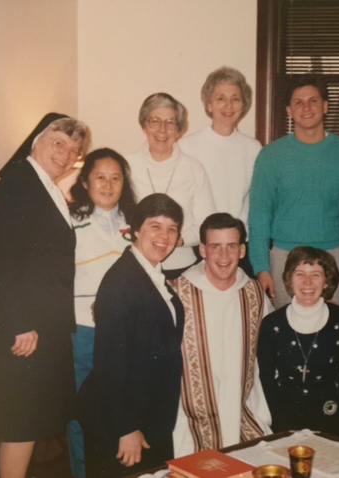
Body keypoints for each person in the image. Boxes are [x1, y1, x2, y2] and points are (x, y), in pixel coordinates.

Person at [0, 116, 89, 478]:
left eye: (74, 151)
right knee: (20, 423)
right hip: (25, 327)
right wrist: (22, 323)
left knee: (27, 420)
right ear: (37, 141)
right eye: (59, 143)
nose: (66, 154)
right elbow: (7, 261)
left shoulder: (42, 184)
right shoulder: (18, 185)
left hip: (39, 324)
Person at [78, 194, 185, 477]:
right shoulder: (122, 283)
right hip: (121, 424)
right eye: (155, 226)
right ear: (136, 230)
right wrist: (126, 429)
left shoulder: (149, 274)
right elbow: (109, 363)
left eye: (172, 229)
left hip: (146, 417)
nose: (164, 236)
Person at [248, 73, 339, 308]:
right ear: (289, 110)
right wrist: (261, 268)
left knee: (332, 333)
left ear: (325, 106)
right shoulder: (271, 156)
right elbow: (259, 215)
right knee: (287, 333)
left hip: (333, 257)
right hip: (284, 259)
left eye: (313, 100)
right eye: (298, 102)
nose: (306, 108)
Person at [172, 213, 272, 457]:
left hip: (243, 410)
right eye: (215, 247)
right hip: (188, 420)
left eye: (231, 246)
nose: (224, 256)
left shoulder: (255, 294)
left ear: (242, 251)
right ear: (203, 250)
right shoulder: (177, 294)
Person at [65, 148, 137, 478]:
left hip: (126, 333)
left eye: (115, 178)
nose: (108, 185)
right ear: (85, 182)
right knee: (82, 413)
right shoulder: (70, 223)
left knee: (124, 409)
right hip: (84, 332)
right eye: (100, 177)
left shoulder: (135, 226)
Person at [257, 247, 339, 440]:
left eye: (316, 274)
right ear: (289, 279)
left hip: (334, 417)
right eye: (300, 274)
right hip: (285, 420)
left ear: (326, 281)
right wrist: (279, 421)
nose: (307, 282)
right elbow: (266, 378)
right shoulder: (272, 324)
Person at [179, 67, 261, 276]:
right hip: (201, 246)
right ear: (209, 104)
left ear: (244, 105)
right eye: (220, 98)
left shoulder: (253, 148)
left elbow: (255, 203)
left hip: (239, 247)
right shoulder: (187, 146)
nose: (228, 105)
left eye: (235, 98)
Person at [126, 92, 215, 279]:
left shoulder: (193, 169)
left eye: (170, 122)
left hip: (181, 266)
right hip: (135, 264)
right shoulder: (127, 167)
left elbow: (206, 224)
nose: (162, 129)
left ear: (179, 130)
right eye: (155, 121)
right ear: (144, 125)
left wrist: (176, 240)